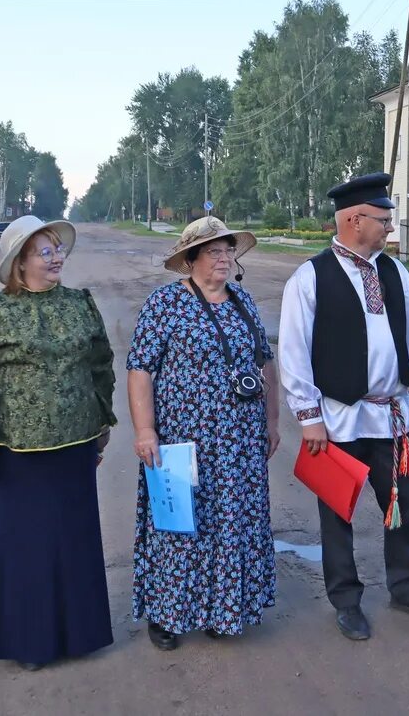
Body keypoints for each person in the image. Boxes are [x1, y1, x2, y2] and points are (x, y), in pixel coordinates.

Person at [279, 172, 409, 642]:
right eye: (384, 219)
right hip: (338, 416)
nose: (390, 227)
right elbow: (293, 351)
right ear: (355, 220)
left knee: (404, 504)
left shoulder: (395, 271)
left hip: (391, 413)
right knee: (338, 511)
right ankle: (347, 600)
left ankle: (407, 588)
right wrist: (309, 417)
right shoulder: (310, 277)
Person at [0, 215, 117, 670]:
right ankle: (27, 643)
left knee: (70, 540)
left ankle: (77, 635)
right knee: (21, 546)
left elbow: (101, 366)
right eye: (45, 251)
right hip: (14, 452)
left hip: (74, 444)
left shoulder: (80, 304)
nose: (57, 256)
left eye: (57, 248)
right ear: (20, 262)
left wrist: (101, 428)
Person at [126, 216, 280, 651]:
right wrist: (144, 429)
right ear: (190, 259)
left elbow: (265, 361)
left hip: (239, 443)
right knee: (179, 525)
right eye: (213, 251)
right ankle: (166, 615)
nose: (223, 257)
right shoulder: (165, 305)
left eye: (228, 249)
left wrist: (271, 421)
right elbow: (140, 369)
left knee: (232, 522)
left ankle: (221, 608)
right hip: (183, 441)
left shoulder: (244, 301)